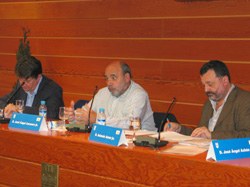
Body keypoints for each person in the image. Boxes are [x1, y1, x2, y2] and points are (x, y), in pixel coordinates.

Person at [164, 60, 250, 139]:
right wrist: (179, 129)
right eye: (204, 85)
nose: (206, 90)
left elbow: (247, 135)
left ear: (225, 81)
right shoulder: (209, 103)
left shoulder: (245, 100)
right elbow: (201, 134)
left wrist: (212, 135)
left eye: (210, 84)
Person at [67, 61, 156, 131]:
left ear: (127, 78)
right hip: (109, 141)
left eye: (113, 78)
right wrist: (75, 117)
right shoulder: (102, 93)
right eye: (106, 78)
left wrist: (97, 119)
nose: (109, 83)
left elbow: (130, 123)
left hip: (143, 145)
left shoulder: (139, 95)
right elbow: (87, 114)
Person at [0, 56, 64, 119]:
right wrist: (8, 108)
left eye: (28, 81)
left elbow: (52, 114)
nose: (23, 84)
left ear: (38, 77)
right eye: (20, 79)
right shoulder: (21, 85)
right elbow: (3, 101)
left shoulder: (53, 90)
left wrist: (20, 109)